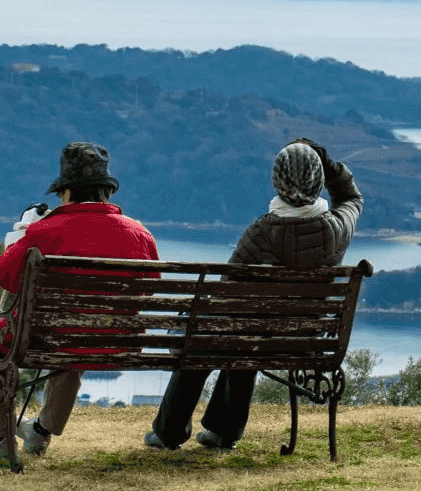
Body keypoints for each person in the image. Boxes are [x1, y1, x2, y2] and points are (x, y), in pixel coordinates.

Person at [145, 137, 362, 451]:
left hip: (253, 333)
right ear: (318, 180)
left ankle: (169, 431)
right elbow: (351, 197)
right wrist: (328, 163)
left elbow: (227, 289)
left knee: (208, 334)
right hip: (305, 341)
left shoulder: (262, 232)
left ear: (277, 182)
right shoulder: (337, 229)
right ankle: (223, 431)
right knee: (241, 332)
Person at [0, 141, 158, 466]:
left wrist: (23, 231)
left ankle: (2, 441)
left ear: (66, 192)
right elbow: (149, 288)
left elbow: (5, 276)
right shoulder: (139, 235)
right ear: (107, 192)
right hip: (113, 342)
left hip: (46, 339)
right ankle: (40, 432)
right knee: (72, 348)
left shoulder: (44, 232)